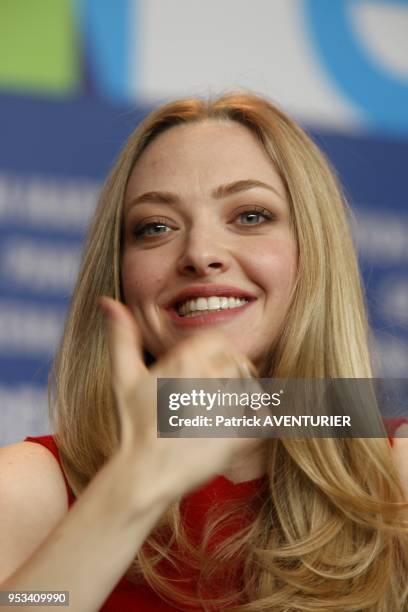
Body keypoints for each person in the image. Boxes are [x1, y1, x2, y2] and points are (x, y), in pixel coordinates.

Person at [0, 92, 407, 611]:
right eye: (156, 227)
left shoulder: (395, 483)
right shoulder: (27, 489)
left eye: (251, 216)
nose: (199, 254)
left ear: (314, 253)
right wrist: (131, 485)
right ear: (119, 276)